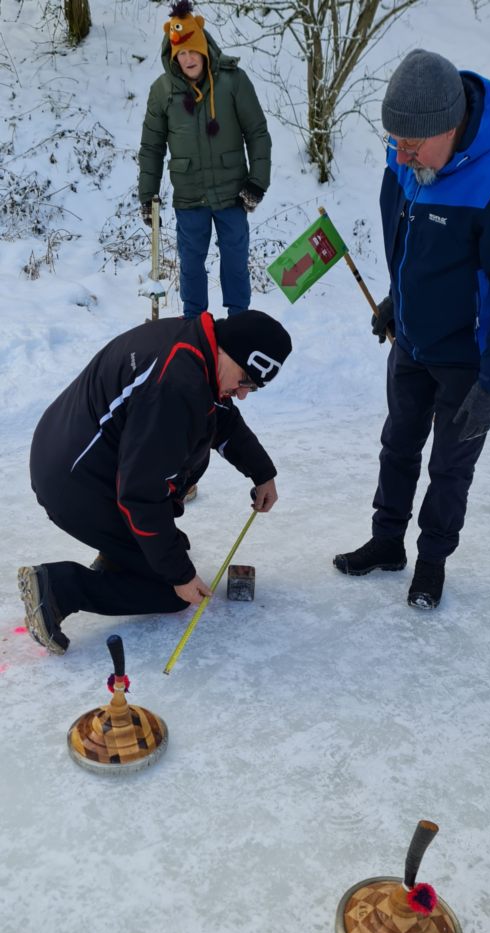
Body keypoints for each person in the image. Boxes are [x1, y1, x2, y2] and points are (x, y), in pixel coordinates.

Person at [334, 50, 490, 609]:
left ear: (449, 128)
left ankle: (431, 562)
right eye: (394, 141)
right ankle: (387, 542)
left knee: (450, 467)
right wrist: (396, 300)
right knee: (397, 445)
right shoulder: (410, 152)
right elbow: (411, 241)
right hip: (412, 341)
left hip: (467, 357)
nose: (400, 155)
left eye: (411, 145)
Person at [18, 310, 292, 654]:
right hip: (75, 484)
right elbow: (142, 495)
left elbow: (220, 417)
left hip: (71, 457)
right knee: (171, 589)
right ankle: (59, 588)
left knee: (169, 551)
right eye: (245, 380)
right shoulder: (175, 386)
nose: (242, 394)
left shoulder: (195, 346)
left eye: (251, 387)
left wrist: (262, 472)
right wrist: (180, 576)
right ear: (228, 351)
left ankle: (121, 557)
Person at [138, 1, 271, 319]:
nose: (188, 59)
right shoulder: (163, 91)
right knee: (191, 263)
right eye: (181, 54)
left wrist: (257, 182)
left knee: (235, 261)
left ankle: (238, 324)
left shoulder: (233, 81)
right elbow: (152, 147)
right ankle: (195, 326)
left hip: (232, 193)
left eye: (192, 52)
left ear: (204, 49)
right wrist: (148, 196)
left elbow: (257, 133)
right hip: (189, 196)